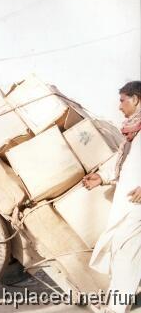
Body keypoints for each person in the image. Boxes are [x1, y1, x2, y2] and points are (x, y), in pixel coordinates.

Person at [83, 81, 141, 313]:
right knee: (121, 251)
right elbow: (123, 163)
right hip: (127, 204)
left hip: (137, 205)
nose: (119, 107)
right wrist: (101, 177)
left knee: (125, 252)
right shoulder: (133, 133)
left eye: (122, 100)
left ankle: (117, 308)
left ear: (136, 99)